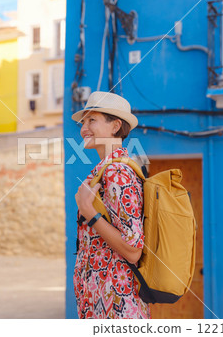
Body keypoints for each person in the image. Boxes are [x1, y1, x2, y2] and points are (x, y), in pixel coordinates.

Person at [72, 91, 151, 319]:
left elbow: (133, 250)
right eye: (83, 121)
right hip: (101, 301)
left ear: (115, 126)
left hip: (117, 305)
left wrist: (89, 212)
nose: (83, 128)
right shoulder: (105, 171)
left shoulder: (118, 172)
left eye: (92, 120)